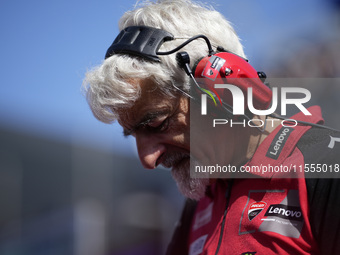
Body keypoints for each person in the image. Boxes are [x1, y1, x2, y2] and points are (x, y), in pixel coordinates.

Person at [82, 0, 340, 254]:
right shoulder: (200, 194)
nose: (147, 159)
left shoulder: (327, 167)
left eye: (157, 123)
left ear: (227, 91)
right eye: (133, 135)